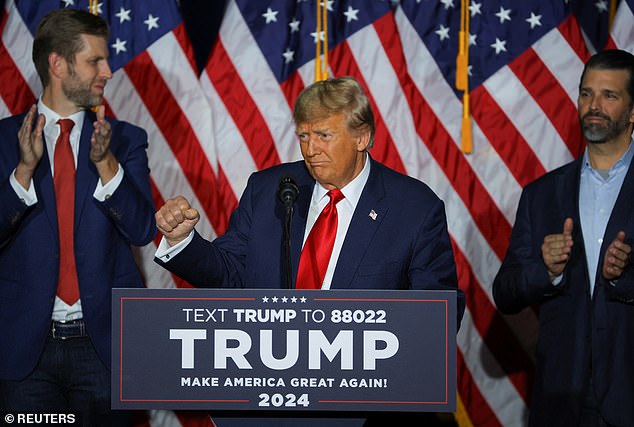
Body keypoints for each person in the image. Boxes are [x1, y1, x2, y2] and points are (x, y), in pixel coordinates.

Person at [155, 76, 464, 426]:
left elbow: (438, 310)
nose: (310, 149)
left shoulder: (413, 207)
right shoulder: (270, 189)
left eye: (324, 136)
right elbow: (229, 271)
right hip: (266, 398)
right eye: (304, 136)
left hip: (366, 409)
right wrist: (183, 241)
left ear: (362, 137)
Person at [0, 9, 156, 425]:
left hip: (103, 348)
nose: (108, 70)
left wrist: (106, 164)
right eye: (95, 61)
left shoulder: (126, 139)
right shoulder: (2, 141)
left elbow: (142, 228)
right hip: (25, 351)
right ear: (58, 64)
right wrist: (23, 173)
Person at [493, 49, 634, 427]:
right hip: (561, 399)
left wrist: (625, 275)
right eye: (586, 93)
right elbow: (505, 291)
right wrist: (546, 270)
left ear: (633, 111)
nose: (594, 105)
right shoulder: (542, 195)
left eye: (610, 95)